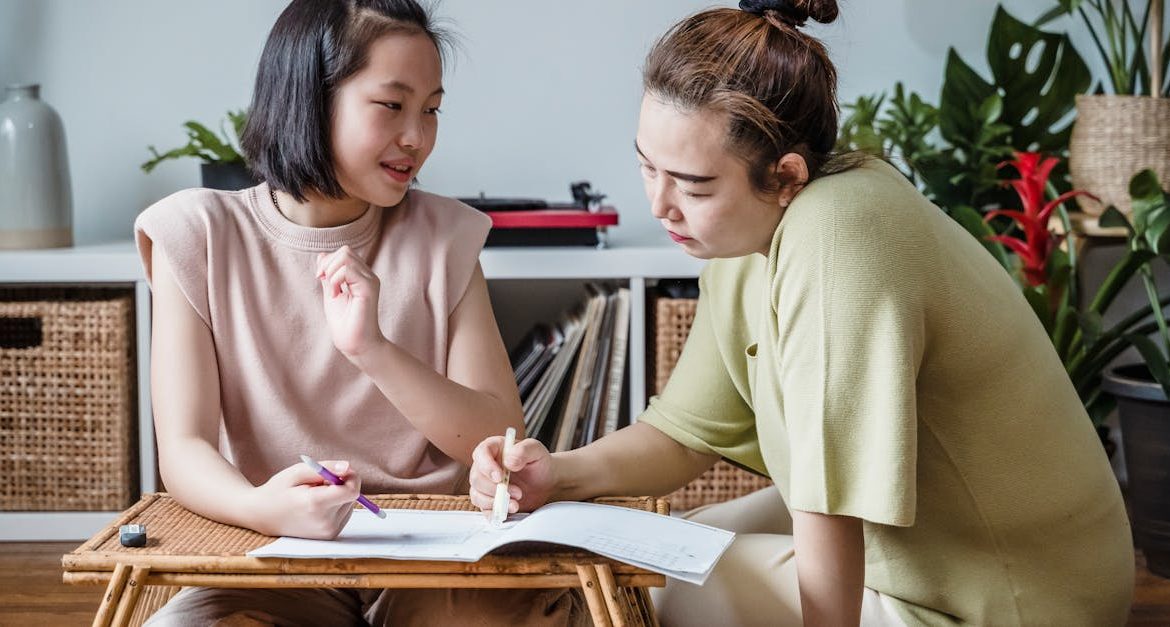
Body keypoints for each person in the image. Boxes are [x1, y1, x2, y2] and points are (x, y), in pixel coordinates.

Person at [468, 2, 1135, 625]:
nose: (660, 205)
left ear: (785, 175)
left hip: (1018, 594)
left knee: (656, 579)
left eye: (694, 185)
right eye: (648, 167)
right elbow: (680, 436)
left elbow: (829, 502)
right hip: (922, 544)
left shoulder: (838, 232)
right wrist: (556, 472)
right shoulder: (744, 236)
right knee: (675, 541)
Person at [135, 0, 582, 624]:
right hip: (276, 556)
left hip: (434, 555)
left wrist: (372, 348)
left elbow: (494, 432)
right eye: (392, 105)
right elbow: (183, 448)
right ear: (309, 100)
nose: (417, 137)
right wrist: (266, 509)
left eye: (431, 110)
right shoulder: (198, 235)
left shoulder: (445, 236)